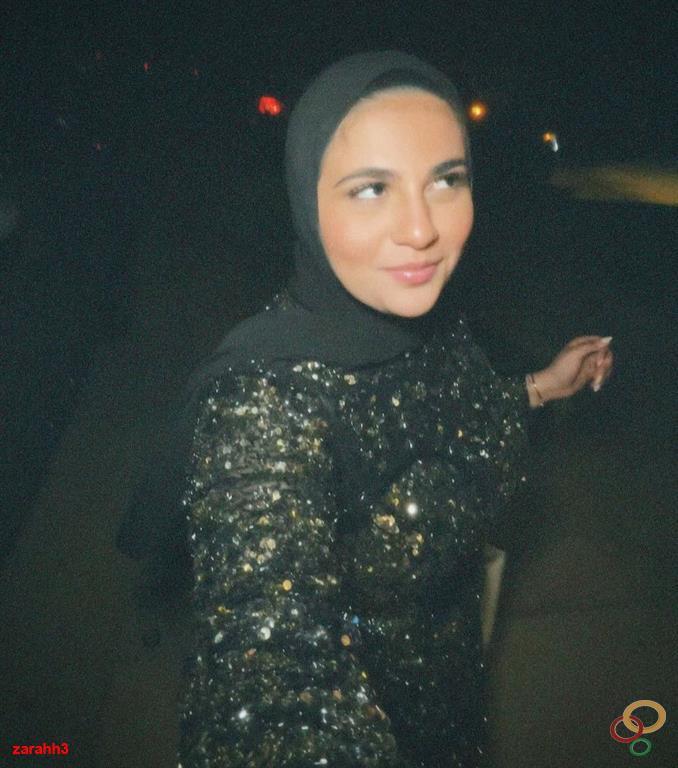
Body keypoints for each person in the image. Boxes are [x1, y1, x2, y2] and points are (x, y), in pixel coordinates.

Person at [120, 51, 613, 768]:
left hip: (453, 690)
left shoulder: (433, 324)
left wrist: (541, 386)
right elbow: (266, 662)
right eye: (371, 189)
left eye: (446, 180)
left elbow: (452, 425)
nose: (421, 229)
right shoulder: (263, 405)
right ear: (306, 199)